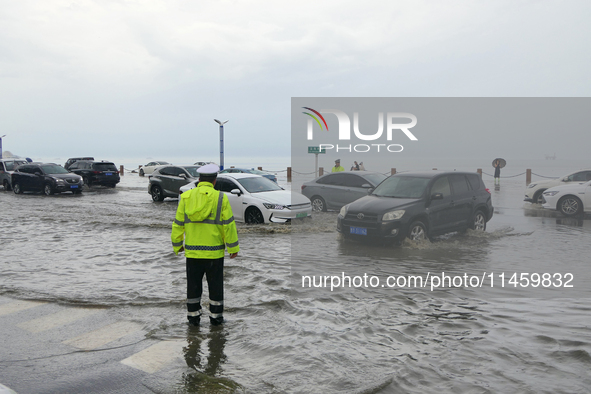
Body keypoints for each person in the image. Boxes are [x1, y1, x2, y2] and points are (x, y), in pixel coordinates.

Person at [171, 163, 239, 326]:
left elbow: (178, 223)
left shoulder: (186, 197)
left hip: (193, 253)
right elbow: (228, 225)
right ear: (214, 181)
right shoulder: (221, 198)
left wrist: (177, 244)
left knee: (193, 286)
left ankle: (193, 318)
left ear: (199, 179)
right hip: (214, 254)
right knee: (215, 286)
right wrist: (233, 248)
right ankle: (216, 319)